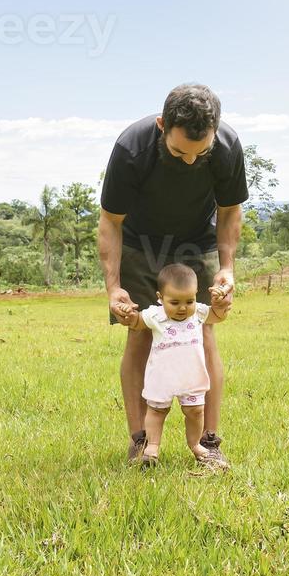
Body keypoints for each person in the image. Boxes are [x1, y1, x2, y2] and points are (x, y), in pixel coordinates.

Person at [97, 83, 247, 469]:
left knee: (204, 331)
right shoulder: (132, 148)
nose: (190, 162)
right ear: (163, 125)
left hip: (196, 243)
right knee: (139, 332)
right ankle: (140, 440)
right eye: (180, 151)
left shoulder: (227, 146)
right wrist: (114, 288)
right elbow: (110, 222)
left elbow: (229, 211)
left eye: (202, 153)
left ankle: (209, 444)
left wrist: (227, 268)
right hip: (138, 243)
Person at [121, 263, 232, 468]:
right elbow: (136, 323)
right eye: (174, 302)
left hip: (191, 377)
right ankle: (152, 445)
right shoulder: (155, 315)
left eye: (189, 300)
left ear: (196, 296)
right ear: (160, 297)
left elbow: (216, 317)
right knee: (156, 411)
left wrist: (220, 306)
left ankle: (195, 444)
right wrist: (129, 314)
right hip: (162, 377)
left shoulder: (198, 312)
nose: (182, 308)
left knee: (196, 411)